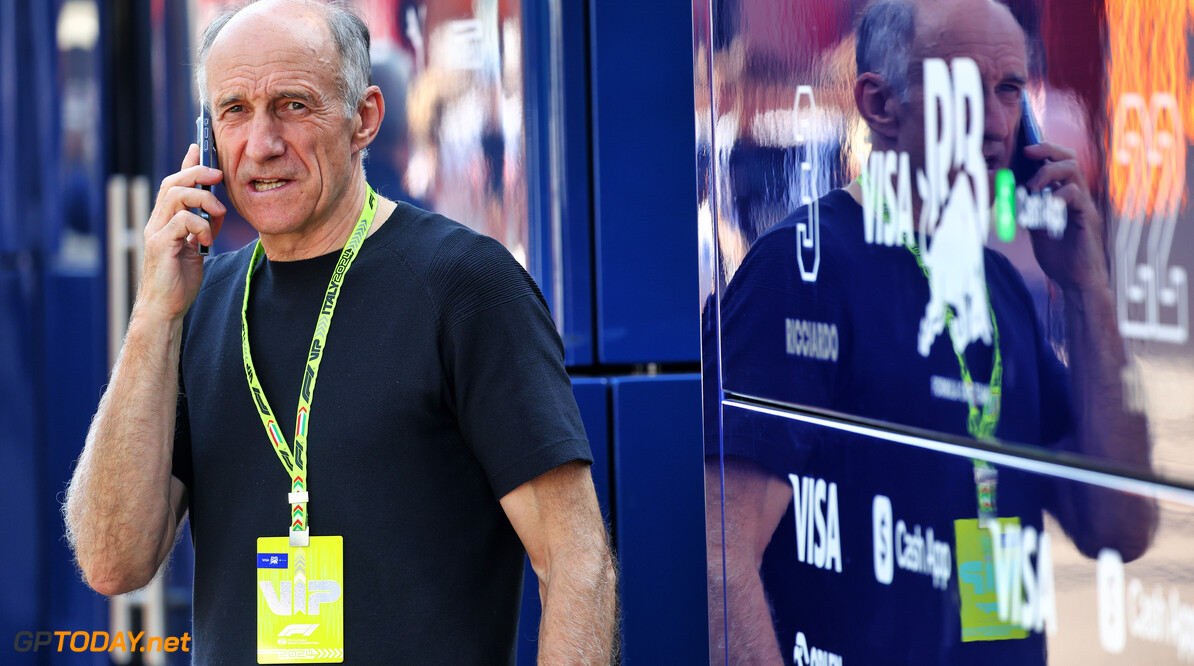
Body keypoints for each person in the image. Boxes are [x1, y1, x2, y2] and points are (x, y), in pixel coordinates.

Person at [63, 1, 617, 663]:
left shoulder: (465, 285)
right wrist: (153, 316)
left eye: (293, 105)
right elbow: (110, 562)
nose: (262, 143)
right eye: (234, 110)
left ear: (364, 119)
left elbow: (577, 564)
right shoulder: (200, 304)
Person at [708, 0, 1156, 663]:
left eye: (1010, 89)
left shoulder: (998, 289)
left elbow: (1118, 525)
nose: (1000, 123)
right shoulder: (800, 271)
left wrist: (1089, 291)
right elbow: (721, 558)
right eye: (966, 88)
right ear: (880, 104)